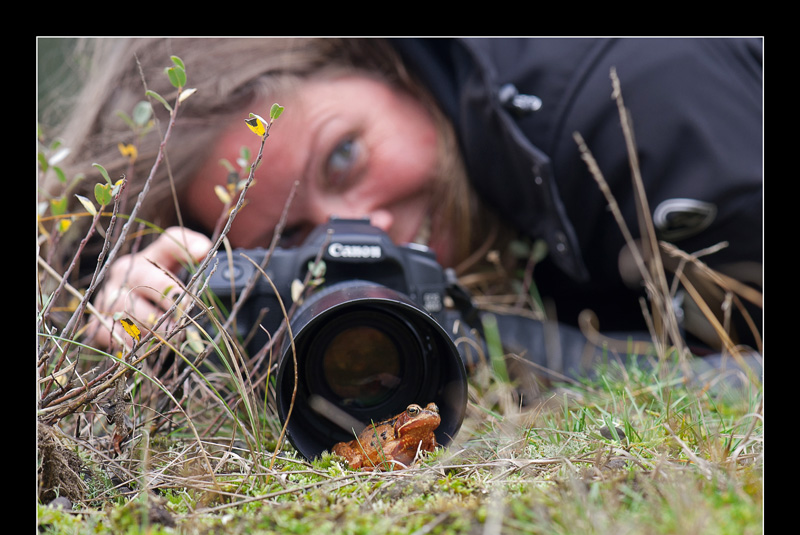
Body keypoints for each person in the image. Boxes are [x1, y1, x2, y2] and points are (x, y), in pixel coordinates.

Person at [40, 37, 762, 375]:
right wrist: (137, 296)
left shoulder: (631, 105)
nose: (368, 230)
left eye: (344, 155)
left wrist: (497, 346)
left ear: (380, 58)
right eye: (293, 232)